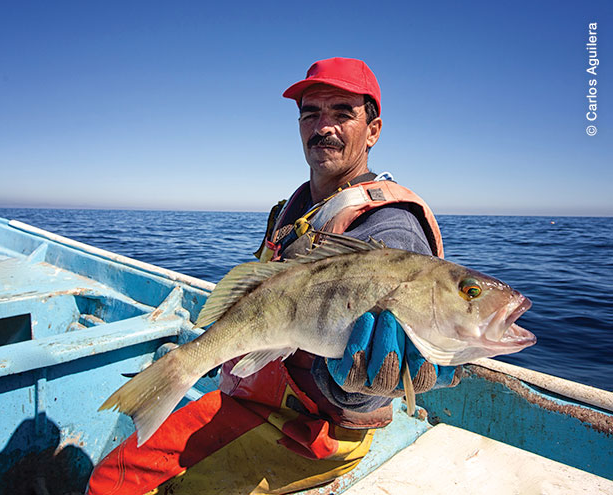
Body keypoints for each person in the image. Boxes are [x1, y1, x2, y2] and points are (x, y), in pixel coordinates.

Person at [86, 57, 461, 495]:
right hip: (251, 393)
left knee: (115, 482)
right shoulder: (295, 207)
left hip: (309, 429)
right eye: (311, 113)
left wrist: (357, 387)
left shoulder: (390, 231)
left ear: (373, 130)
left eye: (342, 113)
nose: (324, 126)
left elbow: (372, 390)